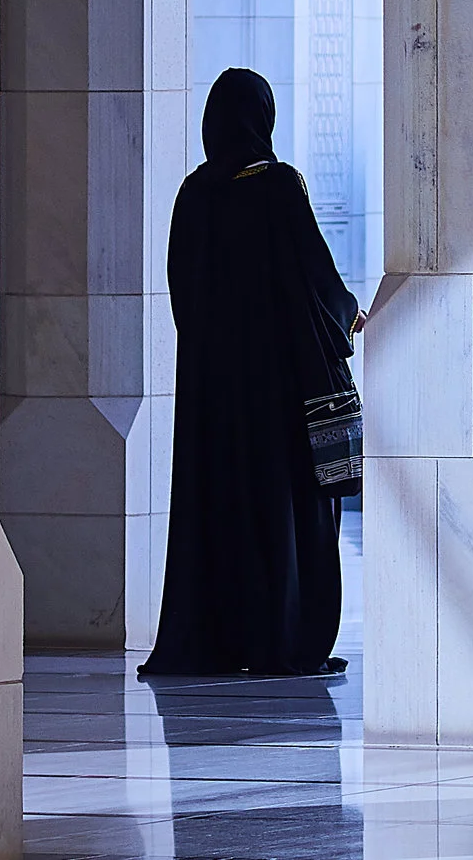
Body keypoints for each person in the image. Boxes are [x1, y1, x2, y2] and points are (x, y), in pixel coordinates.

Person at [140, 67, 365, 679]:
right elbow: (314, 274)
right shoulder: (279, 187)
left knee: (220, 509)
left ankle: (220, 641)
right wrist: (347, 314)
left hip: (213, 399)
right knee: (287, 511)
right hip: (279, 395)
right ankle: (284, 639)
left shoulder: (193, 194)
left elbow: (182, 293)